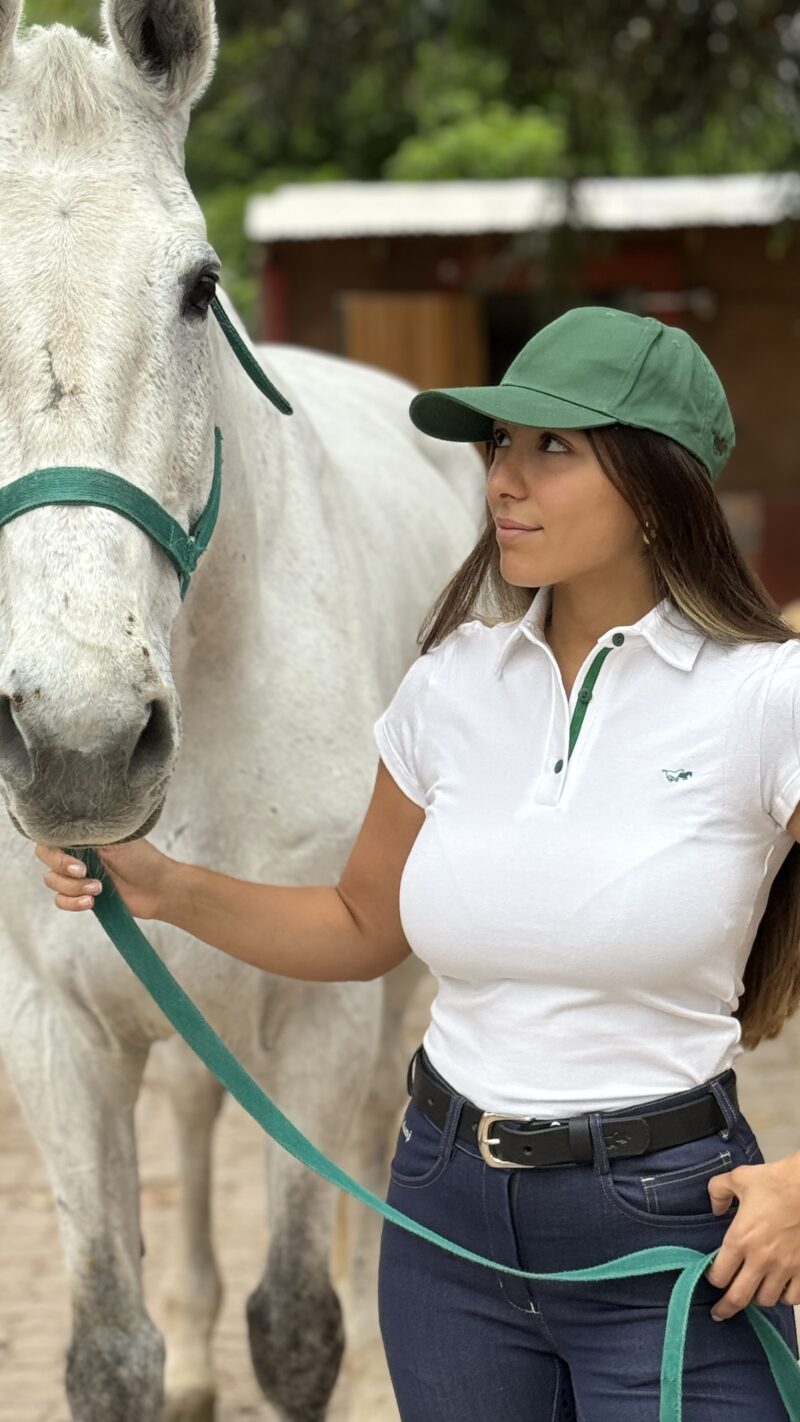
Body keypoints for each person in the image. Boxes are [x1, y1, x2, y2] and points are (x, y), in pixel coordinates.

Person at [36, 305, 800, 1421]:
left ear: (655, 482)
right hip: (444, 1227)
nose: (502, 478)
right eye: (498, 444)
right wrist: (164, 886)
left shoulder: (763, 697)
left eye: (553, 448)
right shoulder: (451, 683)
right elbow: (360, 927)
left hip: (672, 1236)